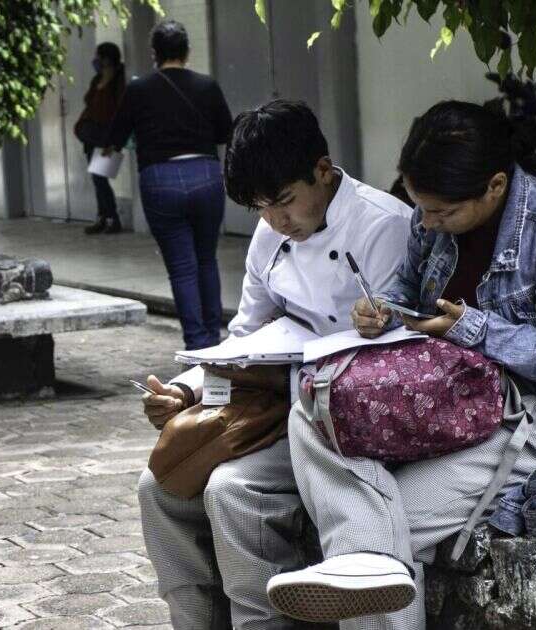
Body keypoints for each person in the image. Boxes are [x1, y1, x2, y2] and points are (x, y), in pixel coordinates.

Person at [267, 101, 536, 629]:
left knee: (386, 535)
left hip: (533, 419)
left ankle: (362, 559)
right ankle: (363, 559)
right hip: (446, 395)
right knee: (316, 399)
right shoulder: (430, 215)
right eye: (420, 207)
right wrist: (384, 307)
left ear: (495, 186)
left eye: (441, 213)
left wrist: (476, 328)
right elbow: (409, 290)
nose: (427, 222)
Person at [137, 99, 412, 630]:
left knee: (231, 491)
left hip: (343, 419)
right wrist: (187, 390)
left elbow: (404, 351)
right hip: (271, 402)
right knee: (158, 486)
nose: (277, 221)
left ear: (323, 171)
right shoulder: (272, 235)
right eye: (261, 208)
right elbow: (243, 334)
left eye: (285, 201)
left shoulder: (384, 225)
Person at [105, 19, 233, 350]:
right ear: (187, 51)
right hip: (205, 175)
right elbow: (225, 133)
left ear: (154, 54)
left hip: (160, 180)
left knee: (181, 267)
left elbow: (115, 136)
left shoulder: (138, 89)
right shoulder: (207, 85)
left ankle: (196, 344)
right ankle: (215, 340)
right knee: (207, 259)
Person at [76, 42, 126, 235]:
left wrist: (116, 140)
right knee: (96, 178)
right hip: (92, 136)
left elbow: (119, 109)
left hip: (108, 137)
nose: (95, 60)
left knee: (101, 178)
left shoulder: (119, 81)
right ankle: (102, 217)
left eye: (98, 56)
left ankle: (113, 218)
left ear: (106, 58)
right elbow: (88, 101)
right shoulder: (97, 79)